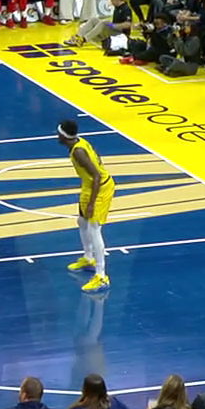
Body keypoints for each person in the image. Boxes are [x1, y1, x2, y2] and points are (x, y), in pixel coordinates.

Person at [61, 119, 113, 291]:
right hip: (89, 186)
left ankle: (101, 276)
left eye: (58, 134)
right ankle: (88, 258)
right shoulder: (79, 142)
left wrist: (91, 203)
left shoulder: (78, 152)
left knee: (94, 229)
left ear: (63, 136)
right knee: (82, 221)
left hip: (100, 188)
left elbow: (97, 176)